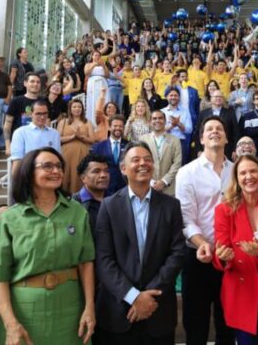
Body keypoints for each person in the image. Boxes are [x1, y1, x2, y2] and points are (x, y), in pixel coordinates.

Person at [0, 147, 96, 345]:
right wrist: (10, 324)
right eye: (47, 166)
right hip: (23, 309)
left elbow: (85, 263)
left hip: (70, 309)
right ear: (28, 172)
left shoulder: (77, 212)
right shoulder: (10, 218)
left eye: (59, 166)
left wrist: (89, 307)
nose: (56, 171)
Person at [94, 142, 188, 345]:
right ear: (123, 169)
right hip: (118, 312)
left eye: (147, 159)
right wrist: (133, 296)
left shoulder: (171, 205)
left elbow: (177, 253)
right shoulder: (109, 206)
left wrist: (148, 296)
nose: (143, 163)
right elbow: (104, 259)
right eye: (135, 160)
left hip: (158, 309)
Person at [213, 155, 258, 345]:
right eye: (243, 173)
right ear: (236, 179)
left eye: (253, 171)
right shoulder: (224, 209)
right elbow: (220, 250)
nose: (249, 176)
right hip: (242, 288)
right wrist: (224, 256)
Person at [175, 117, 235, 345]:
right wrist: (203, 244)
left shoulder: (237, 171)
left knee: (228, 325)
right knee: (196, 324)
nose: (215, 131)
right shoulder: (187, 172)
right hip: (199, 257)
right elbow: (186, 218)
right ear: (201, 139)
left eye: (220, 128)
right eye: (209, 129)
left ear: (227, 138)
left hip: (231, 257)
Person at [9, 100, 62, 176]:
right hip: (28, 174)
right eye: (38, 114)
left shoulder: (55, 133)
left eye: (45, 113)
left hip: (50, 174)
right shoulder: (20, 132)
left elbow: (57, 158)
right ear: (30, 114)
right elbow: (17, 160)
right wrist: (17, 183)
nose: (42, 117)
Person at [140, 110, 182, 196]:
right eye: (154, 119)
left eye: (160, 118)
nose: (157, 121)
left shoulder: (175, 140)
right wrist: (150, 181)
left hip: (169, 189)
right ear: (150, 122)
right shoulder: (143, 139)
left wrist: (164, 181)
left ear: (165, 121)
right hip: (148, 187)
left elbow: (177, 163)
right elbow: (140, 162)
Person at [58, 99, 95, 194]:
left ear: (82, 109)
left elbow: (92, 140)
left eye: (79, 107)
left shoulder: (87, 122)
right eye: (74, 107)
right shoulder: (63, 122)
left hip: (82, 153)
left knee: (79, 176)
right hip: (66, 154)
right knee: (65, 175)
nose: (77, 109)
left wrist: (81, 137)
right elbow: (58, 138)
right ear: (70, 109)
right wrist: (72, 137)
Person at [4, 72, 42, 156]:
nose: (35, 84)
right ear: (25, 83)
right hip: (19, 143)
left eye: (38, 82)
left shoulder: (43, 102)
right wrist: (7, 146)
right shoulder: (16, 101)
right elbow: (7, 124)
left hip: (38, 143)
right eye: (32, 81)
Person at [89, 115, 129, 195]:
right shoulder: (98, 147)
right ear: (110, 127)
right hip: (104, 188)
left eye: (120, 126)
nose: (118, 128)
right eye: (115, 126)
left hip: (124, 188)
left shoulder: (129, 146)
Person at [72, 153, 111, 234]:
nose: (103, 175)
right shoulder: (73, 204)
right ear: (83, 178)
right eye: (96, 171)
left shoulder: (115, 200)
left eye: (106, 171)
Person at [195, 90, 238, 159]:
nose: (218, 98)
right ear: (211, 99)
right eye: (216, 97)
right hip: (206, 149)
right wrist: (199, 150)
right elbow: (198, 132)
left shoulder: (230, 113)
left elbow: (236, 132)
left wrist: (235, 149)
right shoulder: (203, 113)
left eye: (220, 97)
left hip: (226, 149)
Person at [162, 88, 193, 162]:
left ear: (179, 97)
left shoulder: (185, 111)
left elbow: (189, 130)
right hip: (165, 142)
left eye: (176, 95)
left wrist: (179, 124)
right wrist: (172, 125)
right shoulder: (162, 112)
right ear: (167, 97)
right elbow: (159, 130)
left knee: (181, 168)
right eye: (171, 95)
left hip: (181, 143)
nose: (173, 97)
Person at [85, 51, 109, 125]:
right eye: (95, 55)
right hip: (92, 83)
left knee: (103, 101)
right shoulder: (88, 64)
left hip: (102, 83)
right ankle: (91, 122)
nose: (97, 57)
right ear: (92, 56)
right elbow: (86, 73)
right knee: (93, 101)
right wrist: (94, 65)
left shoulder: (103, 65)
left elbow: (107, 75)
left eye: (98, 55)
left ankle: (103, 122)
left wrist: (104, 66)